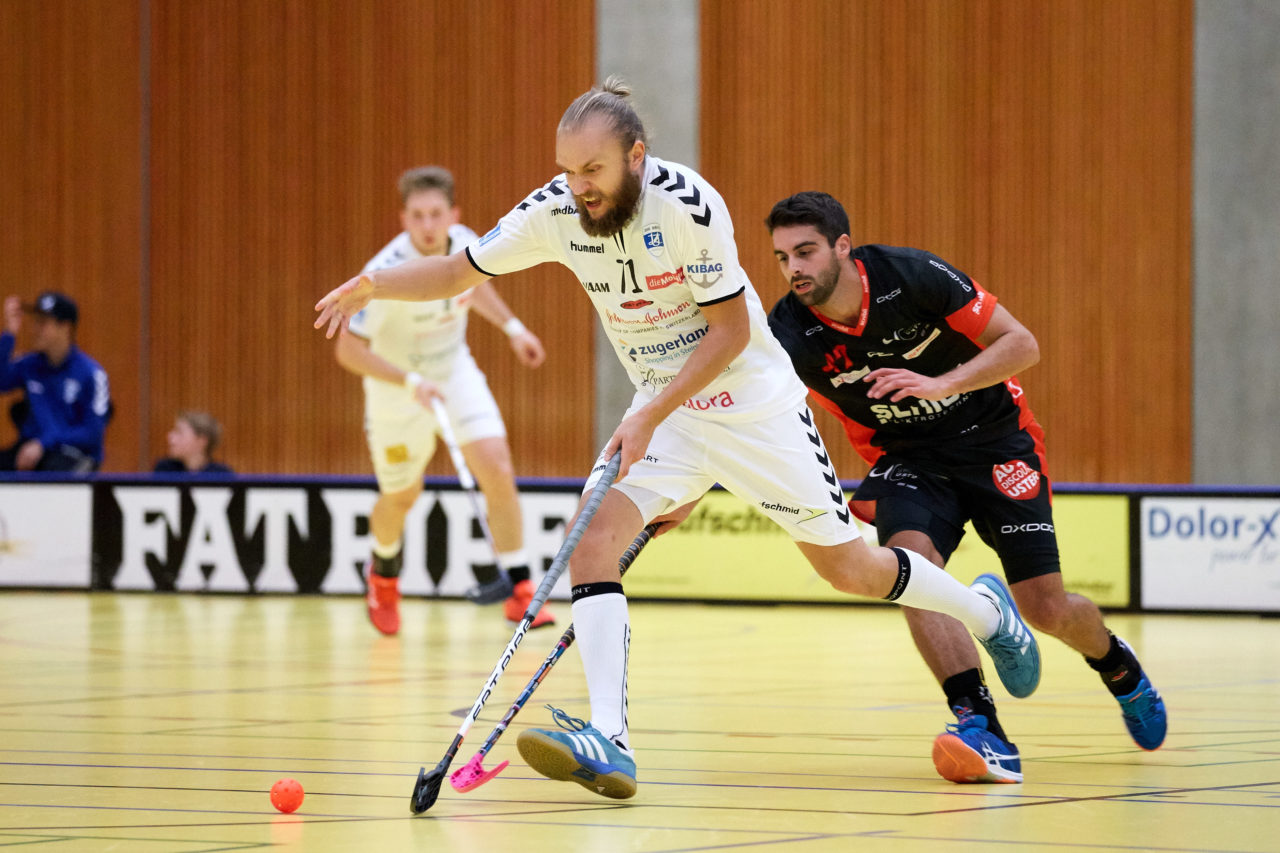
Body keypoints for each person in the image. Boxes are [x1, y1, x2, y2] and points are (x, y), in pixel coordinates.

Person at [314, 78, 1041, 800]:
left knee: (851, 569)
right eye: (567, 170)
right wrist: (374, 286)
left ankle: (986, 612)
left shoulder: (689, 205)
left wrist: (651, 415)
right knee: (591, 538)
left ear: (636, 156)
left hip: (754, 407)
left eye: (593, 169)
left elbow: (729, 332)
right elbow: (455, 271)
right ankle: (610, 738)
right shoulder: (554, 211)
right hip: (667, 409)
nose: (578, 187)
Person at [764, 190, 1167, 784]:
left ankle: (1119, 669)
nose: (794, 268)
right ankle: (980, 722)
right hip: (911, 459)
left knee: (1046, 608)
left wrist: (942, 383)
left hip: (996, 442)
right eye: (782, 258)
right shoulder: (786, 334)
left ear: (842, 247)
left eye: (806, 252)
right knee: (909, 571)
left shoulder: (911, 275)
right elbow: (747, 411)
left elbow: (1022, 345)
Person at [334, 165, 550, 637]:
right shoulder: (384, 275)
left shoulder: (465, 242)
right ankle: (383, 574)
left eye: (436, 214)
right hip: (397, 389)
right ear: (404, 220)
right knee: (401, 496)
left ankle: (520, 591)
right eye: (417, 216)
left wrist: (513, 329)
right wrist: (409, 381)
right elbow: (348, 351)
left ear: (454, 215)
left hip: (453, 372)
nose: (428, 226)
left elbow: (472, 285)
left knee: (496, 467)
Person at [0, 291, 110, 473]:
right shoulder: (30, 364)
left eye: (43, 323)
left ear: (65, 328)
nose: (34, 329)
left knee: (56, 470)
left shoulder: (91, 374)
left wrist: (44, 443)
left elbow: (93, 434)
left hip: (69, 453)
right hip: (33, 450)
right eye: (35, 322)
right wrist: (9, 333)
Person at [153, 410, 234, 476]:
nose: (170, 437)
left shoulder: (222, 475)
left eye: (179, 432)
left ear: (201, 441)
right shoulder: (164, 469)